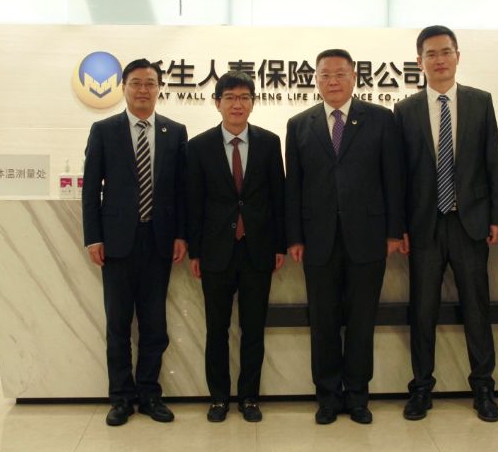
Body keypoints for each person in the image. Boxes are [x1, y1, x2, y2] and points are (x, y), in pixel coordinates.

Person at [285, 48, 404, 425]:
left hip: (368, 236)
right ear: (315, 80)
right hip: (317, 239)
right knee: (323, 321)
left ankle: (357, 396)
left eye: (340, 74)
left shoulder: (380, 119)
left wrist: (393, 231)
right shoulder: (299, 124)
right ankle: (327, 396)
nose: (333, 81)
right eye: (325, 75)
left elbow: (393, 179)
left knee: (361, 320)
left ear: (354, 77)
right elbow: (294, 186)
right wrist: (294, 237)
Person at [394, 25, 498, 422]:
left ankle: (483, 388)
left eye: (445, 52)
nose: (439, 60)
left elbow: (492, 163)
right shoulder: (405, 110)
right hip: (424, 225)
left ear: (458, 56)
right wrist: (400, 226)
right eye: (431, 54)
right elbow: (399, 175)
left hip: (469, 223)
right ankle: (421, 388)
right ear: (419, 61)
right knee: (422, 310)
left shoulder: (480, 102)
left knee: (477, 308)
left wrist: (496, 218)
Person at [82, 58, 188, 426]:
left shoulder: (175, 132)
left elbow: (182, 190)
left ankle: (149, 394)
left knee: (154, 325)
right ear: (124, 87)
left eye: (150, 83)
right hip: (116, 243)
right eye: (136, 83)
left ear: (159, 88)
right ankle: (121, 398)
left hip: (159, 241)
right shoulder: (104, 130)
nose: (143, 89)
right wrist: (93, 237)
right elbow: (91, 189)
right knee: (118, 325)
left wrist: (181, 234)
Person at [187, 71, 286, 424]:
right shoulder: (198, 146)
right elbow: (193, 202)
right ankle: (218, 398)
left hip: (258, 249)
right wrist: (195, 251)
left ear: (253, 103)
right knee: (216, 329)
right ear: (217, 103)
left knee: (253, 329)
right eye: (229, 97)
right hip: (216, 251)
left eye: (244, 97)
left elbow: (278, 197)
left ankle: (249, 397)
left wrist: (279, 245)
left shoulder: (270, 143)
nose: (237, 104)